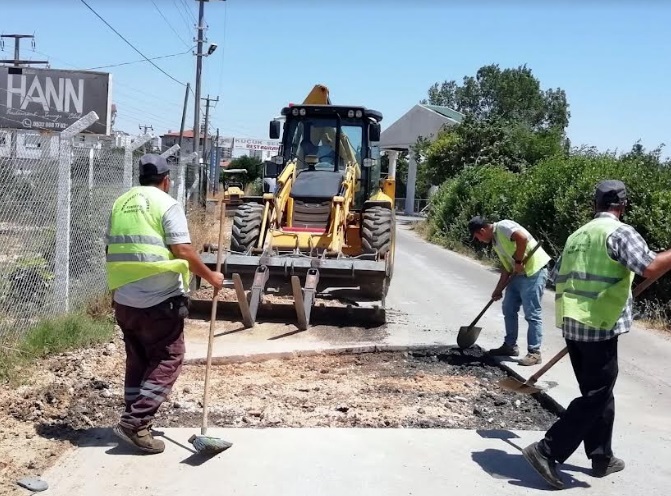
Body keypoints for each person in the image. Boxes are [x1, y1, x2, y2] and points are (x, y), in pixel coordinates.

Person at [522, 180, 671, 489]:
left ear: (596, 205)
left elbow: (556, 276)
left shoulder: (578, 235)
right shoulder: (619, 233)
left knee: (599, 392)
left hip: (572, 323)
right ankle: (546, 451)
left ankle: (601, 457)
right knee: (597, 395)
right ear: (622, 206)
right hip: (598, 325)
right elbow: (651, 267)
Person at [105, 154, 224, 454]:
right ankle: (135, 422)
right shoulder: (166, 204)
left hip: (125, 300)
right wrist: (212, 277)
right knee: (169, 358)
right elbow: (182, 250)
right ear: (166, 180)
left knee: (138, 359)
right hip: (158, 300)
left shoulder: (121, 203)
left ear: (140, 177)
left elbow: (111, 248)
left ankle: (135, 420)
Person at [468, 216, 552, 366]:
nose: (479, 241)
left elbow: (522, 237)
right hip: (517, 275)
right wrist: (498, 290)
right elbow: (507, 269)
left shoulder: (503, 226)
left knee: (532, 313)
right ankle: (510, 346)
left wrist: (519, 261)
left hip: (534, 272)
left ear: (482, 230)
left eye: (477, 237)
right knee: (508, 308)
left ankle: (534, 353)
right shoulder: (495, 242)